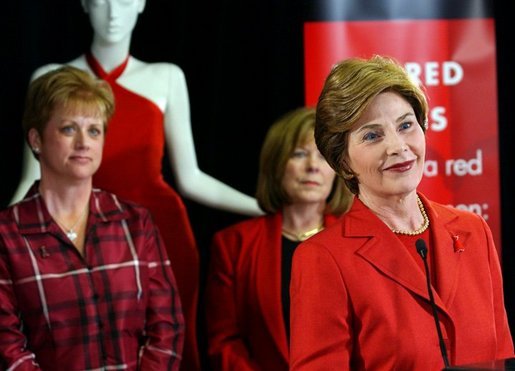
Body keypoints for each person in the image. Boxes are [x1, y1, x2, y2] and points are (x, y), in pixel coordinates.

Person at [10, 1, 262, 369]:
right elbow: (30, 176)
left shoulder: (166, 77)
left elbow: (189, 178)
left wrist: (265, 206)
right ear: (83, 4)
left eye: (125, 1)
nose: (113, 13)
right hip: (70, 232)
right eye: (102, 2)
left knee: (167, 344)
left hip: (161, 233)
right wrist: (5, 234)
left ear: (142, 5)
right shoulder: (51, 77)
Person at [289, 55, 514, 370]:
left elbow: (499, 355)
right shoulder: (322, 258)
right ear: (343, 162)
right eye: (372, 135)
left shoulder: (473, 230)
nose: (397, 146)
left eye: (406, 125)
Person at [0, 66, 184, 370]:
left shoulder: (136, 223)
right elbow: (8, 348)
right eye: (69, 129)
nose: (84, 142)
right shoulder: (8, 234)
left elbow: (167, 326)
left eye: (94, 130)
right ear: (36, 139)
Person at [204, 107, 353, 370]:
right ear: (276, 164)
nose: (312, 167)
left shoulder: (355, 241)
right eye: (299, 154)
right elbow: (224, 342)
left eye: (322, 156)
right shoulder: (232, 245)